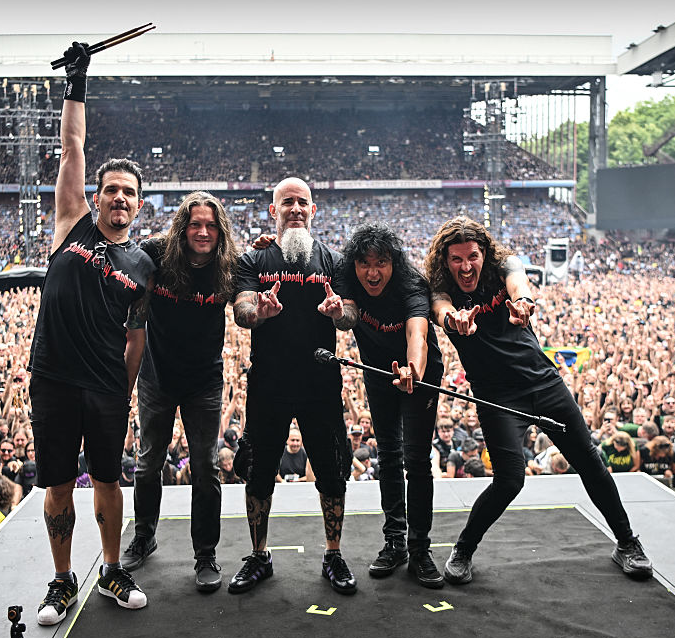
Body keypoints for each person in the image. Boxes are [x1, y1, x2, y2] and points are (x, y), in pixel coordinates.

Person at [424, 216, 652, 583]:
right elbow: (441, 309)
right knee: (509, 481)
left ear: (484, 254)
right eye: (457, 259)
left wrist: (523, 303)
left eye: (472, 257)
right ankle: (463, 549)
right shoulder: (439, 286)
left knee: (590, 462)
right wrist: (454, 321)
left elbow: (519, 283)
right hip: (498, 397)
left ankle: (627, 543)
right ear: (445, 260)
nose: (466, 267)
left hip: (543, 383)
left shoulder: (504, 266)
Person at [29, 41, 154, 625]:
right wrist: (78, 80)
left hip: (105, 386)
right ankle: (62, 579)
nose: (119, 198)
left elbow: (137, 337)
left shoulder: (143, 266)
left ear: (139, 205)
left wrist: (123, 390)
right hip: (54, 377)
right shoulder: (69, 225)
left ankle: (110, 569)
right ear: (96, 197)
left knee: (108, 479)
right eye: (111, 190)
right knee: (57, 484)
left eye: (129, 192)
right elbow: (73, 146)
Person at [230, 177, 358, 595]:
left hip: (320, 382)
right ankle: (259, 555)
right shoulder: (254, 259)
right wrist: (259, 312)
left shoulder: (334, 261)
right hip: (268, 382)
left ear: (313, 210)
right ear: (274, 210)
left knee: (332, 471)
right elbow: (241, 310)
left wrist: (338, 312)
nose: (296, 208)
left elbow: (350, 315)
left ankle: (333, 554)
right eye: (287, 202)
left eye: (303, 202)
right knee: (258, 472)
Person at [122, 191, 239, 594]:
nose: (203, 232)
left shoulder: (229, 264)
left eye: (210, 225)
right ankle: (143, 536)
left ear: (220, 230)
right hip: (156, 376)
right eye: (195, 224)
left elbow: (252, 288)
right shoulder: (155, 253)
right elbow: (124, 280)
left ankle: (205, 553)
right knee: (148, 463)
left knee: (206, 467)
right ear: (182, 228)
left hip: (204, 381)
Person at [332, 222, 445, 587]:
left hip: (419, 373)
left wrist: (413, 370)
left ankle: (420, 548)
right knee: (390, 455)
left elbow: (418, 333)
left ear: (393, 263)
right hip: (377, 373)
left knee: (417, 459)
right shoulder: (345, 275)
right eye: (365, 263)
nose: (372, 272)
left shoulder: (410, 283)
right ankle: (394, 541)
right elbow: (346, 315)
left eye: (381, 262)